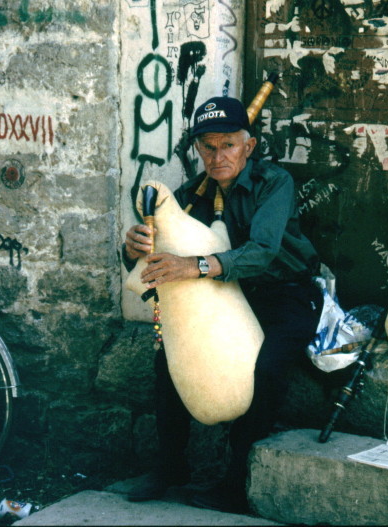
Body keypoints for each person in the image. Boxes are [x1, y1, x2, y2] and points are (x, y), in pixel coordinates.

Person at [121, 96, 323, 514]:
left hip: (284, 294)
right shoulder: (190, 197)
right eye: (208, 147)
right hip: (228, 295)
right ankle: (171, 467)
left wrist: (192, 265)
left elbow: (263, 251)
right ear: (198, 149)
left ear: (247, 147)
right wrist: (133, 248)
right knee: (169, 360)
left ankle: (235, 482)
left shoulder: (274, 182)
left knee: (263, 369)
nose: (217, 157)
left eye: (228, 145)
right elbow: (156, 253)